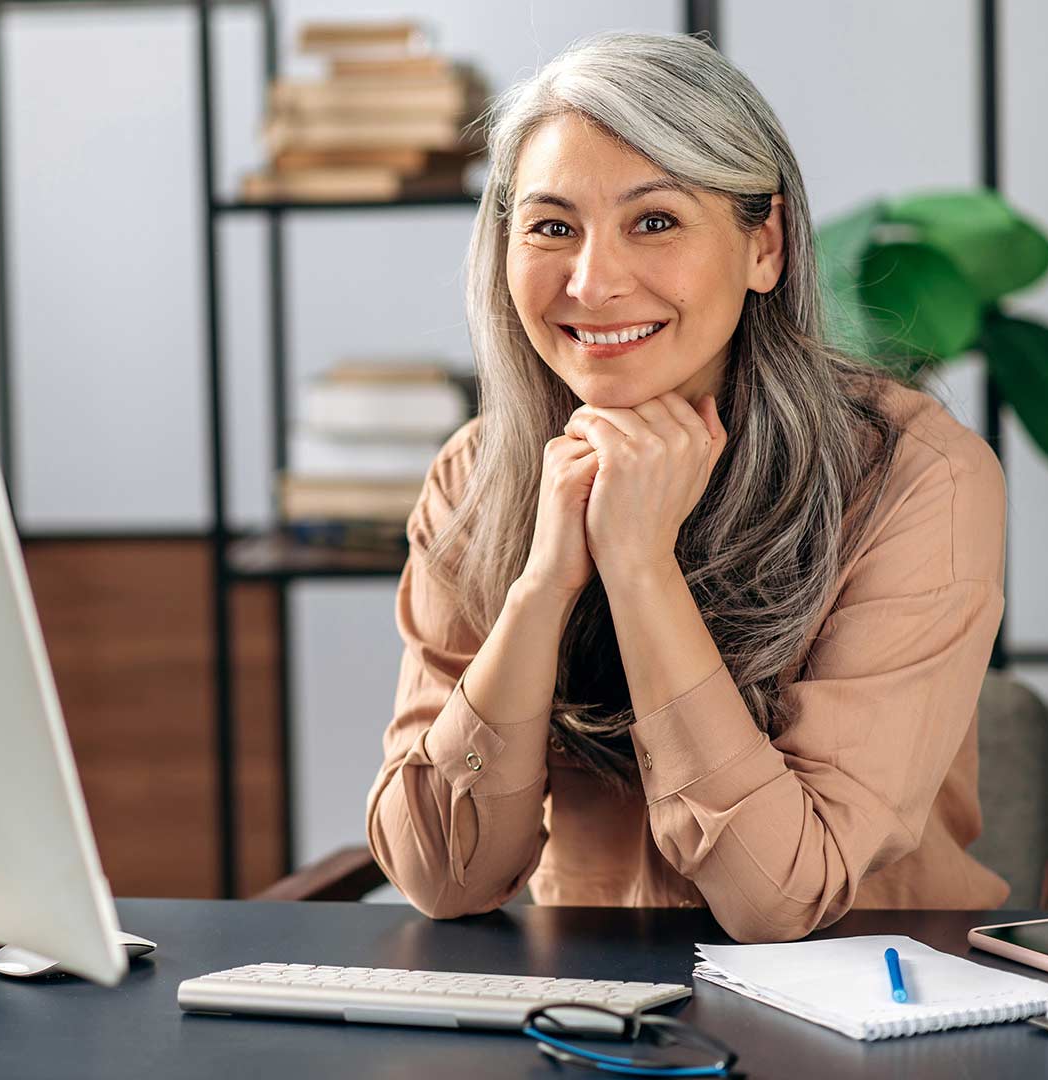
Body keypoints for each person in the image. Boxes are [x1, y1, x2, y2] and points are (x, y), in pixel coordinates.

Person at [365, 30, 1009, 942]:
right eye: (551, 227)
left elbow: (779, 897)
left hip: (862, 1014)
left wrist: (638, 564)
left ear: (765, 245)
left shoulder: (915, 477)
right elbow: (444, 875)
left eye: (655, 221)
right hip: (587, 1014)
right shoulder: (479, 475)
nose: (591, 282)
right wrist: (545, 584)